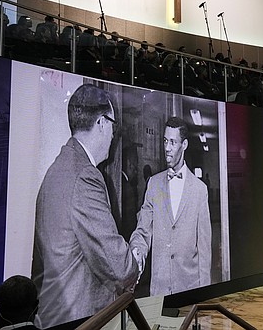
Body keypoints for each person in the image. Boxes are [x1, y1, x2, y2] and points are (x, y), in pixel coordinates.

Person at [31, 84, 139, 329]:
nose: (113, 135)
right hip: (82, 318)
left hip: (52, 316)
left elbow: (39, 267)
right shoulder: (85, 176)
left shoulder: (55, 172)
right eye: (113, 126)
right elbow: (119, 267)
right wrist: (135, 260)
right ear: (102, 122)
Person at [130, 116, 212, 296]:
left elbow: (204, 252)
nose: (167, 148)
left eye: (173, 142)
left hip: (190, 290)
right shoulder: (153, 184)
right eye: (165, 141)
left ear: (184, 145)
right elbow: (143, 231)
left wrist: (205, 298)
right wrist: (137, 251)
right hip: (159, 291)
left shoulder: (200, 191)